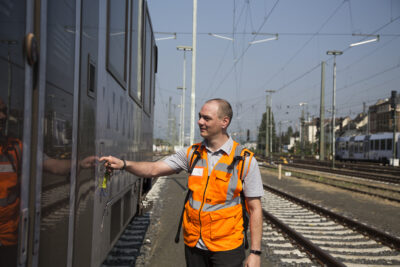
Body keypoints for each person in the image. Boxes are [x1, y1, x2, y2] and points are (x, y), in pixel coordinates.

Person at [100, 98, 263, 267]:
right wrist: (124, 164)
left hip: (227, 247)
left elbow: (255, 208)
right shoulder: (192, 154)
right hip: (194, 244)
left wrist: (255, 253)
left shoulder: (245, 160)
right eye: (200, 117)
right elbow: (154, 169)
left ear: (224, 122)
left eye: (206, 118)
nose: (200, 122)